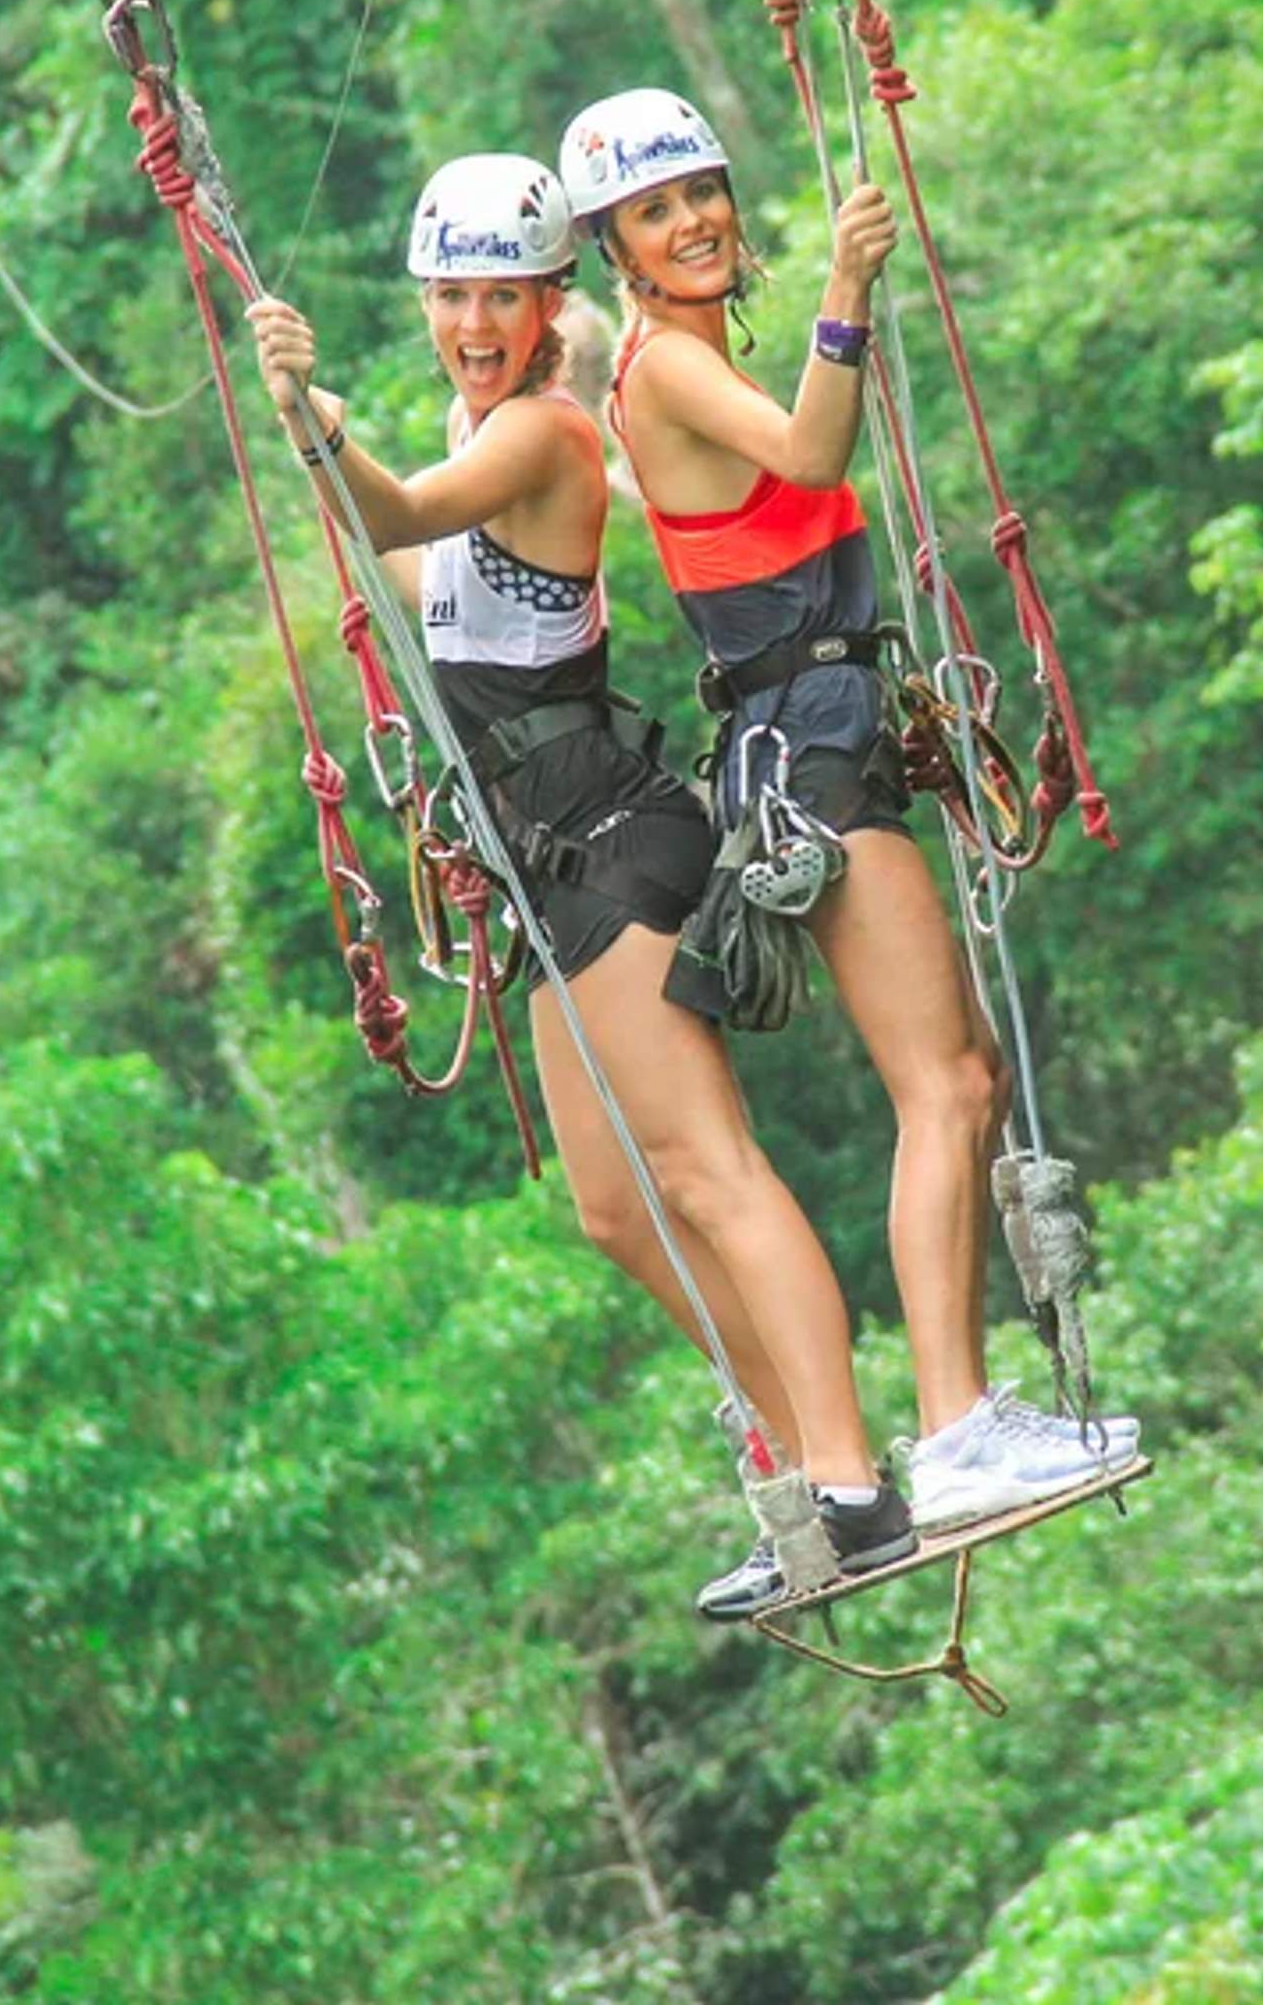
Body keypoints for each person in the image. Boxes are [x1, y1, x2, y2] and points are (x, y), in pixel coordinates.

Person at [244, 155, 911, 1617]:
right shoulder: (476, 426)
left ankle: (849, 1476)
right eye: (452, 296)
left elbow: (410, 513)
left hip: (607, 836)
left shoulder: (542, 432)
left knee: (709, 1173)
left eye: (503, 294)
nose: (476, 321)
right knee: (617, 1211)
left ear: (551, 302)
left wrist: (313, 425)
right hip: (543, 870)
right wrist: (327, 468)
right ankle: (808, 1471)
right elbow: (425, 586)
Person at [561, 89, 1139, 1531]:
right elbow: (815, 455)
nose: (691, 222)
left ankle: (959, 1419)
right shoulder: (666, 371)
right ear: (618, 251)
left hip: (828, 723)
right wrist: (842, 293)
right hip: (806, 738)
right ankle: (951, 1428)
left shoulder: (676, 362)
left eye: (699, 193)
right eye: (654, 212)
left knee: (962, 1076)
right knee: (942, 1084)